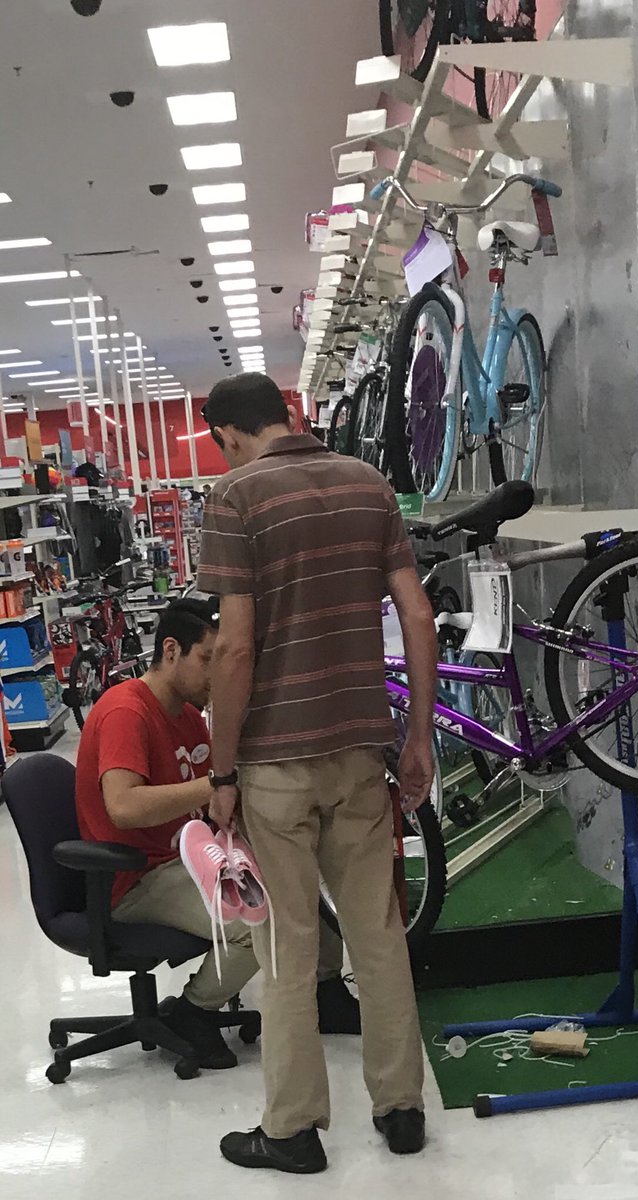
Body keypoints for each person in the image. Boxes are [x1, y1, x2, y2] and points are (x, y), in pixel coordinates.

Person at [197, 373, 438, 1176]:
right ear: (288, 415)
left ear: (228, 435)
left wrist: (222, 770)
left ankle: (294, 1130)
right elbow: (417, 616)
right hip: (360, 753)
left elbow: (233, 648)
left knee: (289, 949)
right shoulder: (368, 485)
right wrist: (419, 740)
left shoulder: (235, 498)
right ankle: (401, 1108)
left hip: (272, 764)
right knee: (378, 935)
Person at [75, 598, 358, 1072]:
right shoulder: (126, 711)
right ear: (171, 650)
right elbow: (123, 807)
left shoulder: (187, 716)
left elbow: (222, 798)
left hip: (191, 857)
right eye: (208, 659)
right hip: (135, 877)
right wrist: (213, 784)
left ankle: (325, 991)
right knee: (256, 920)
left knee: (296, 885)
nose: (216, 674)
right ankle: (191, 1011)